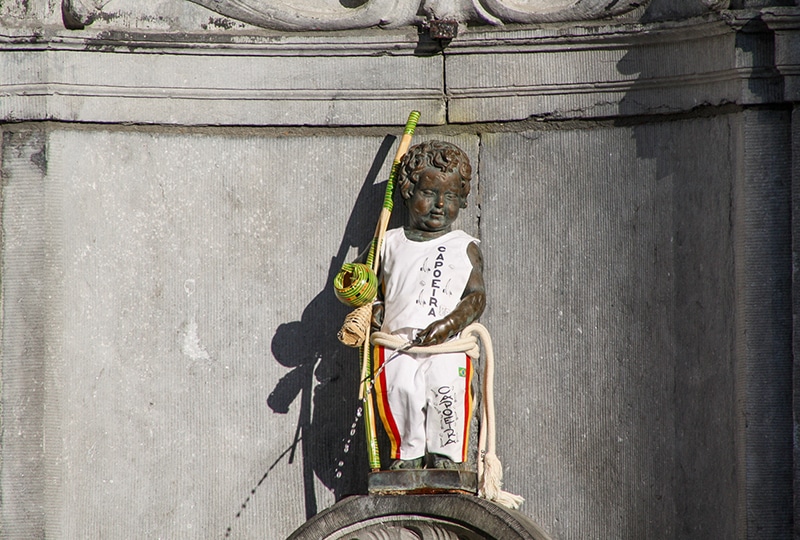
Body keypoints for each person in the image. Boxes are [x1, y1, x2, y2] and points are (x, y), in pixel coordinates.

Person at [372, 140, 485, 470]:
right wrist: (372, 307)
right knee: (399, 390)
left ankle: (445, 456)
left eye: (450, 197)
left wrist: (450, 324)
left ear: (462, 199)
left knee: (445, 391)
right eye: (429, 193)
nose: (439, 205)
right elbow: (362, 285)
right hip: (398, 342)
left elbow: (476, 296)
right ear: (407, 191)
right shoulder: (388, 242)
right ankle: (407, 453)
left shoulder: (463, 246)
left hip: (446, 344)